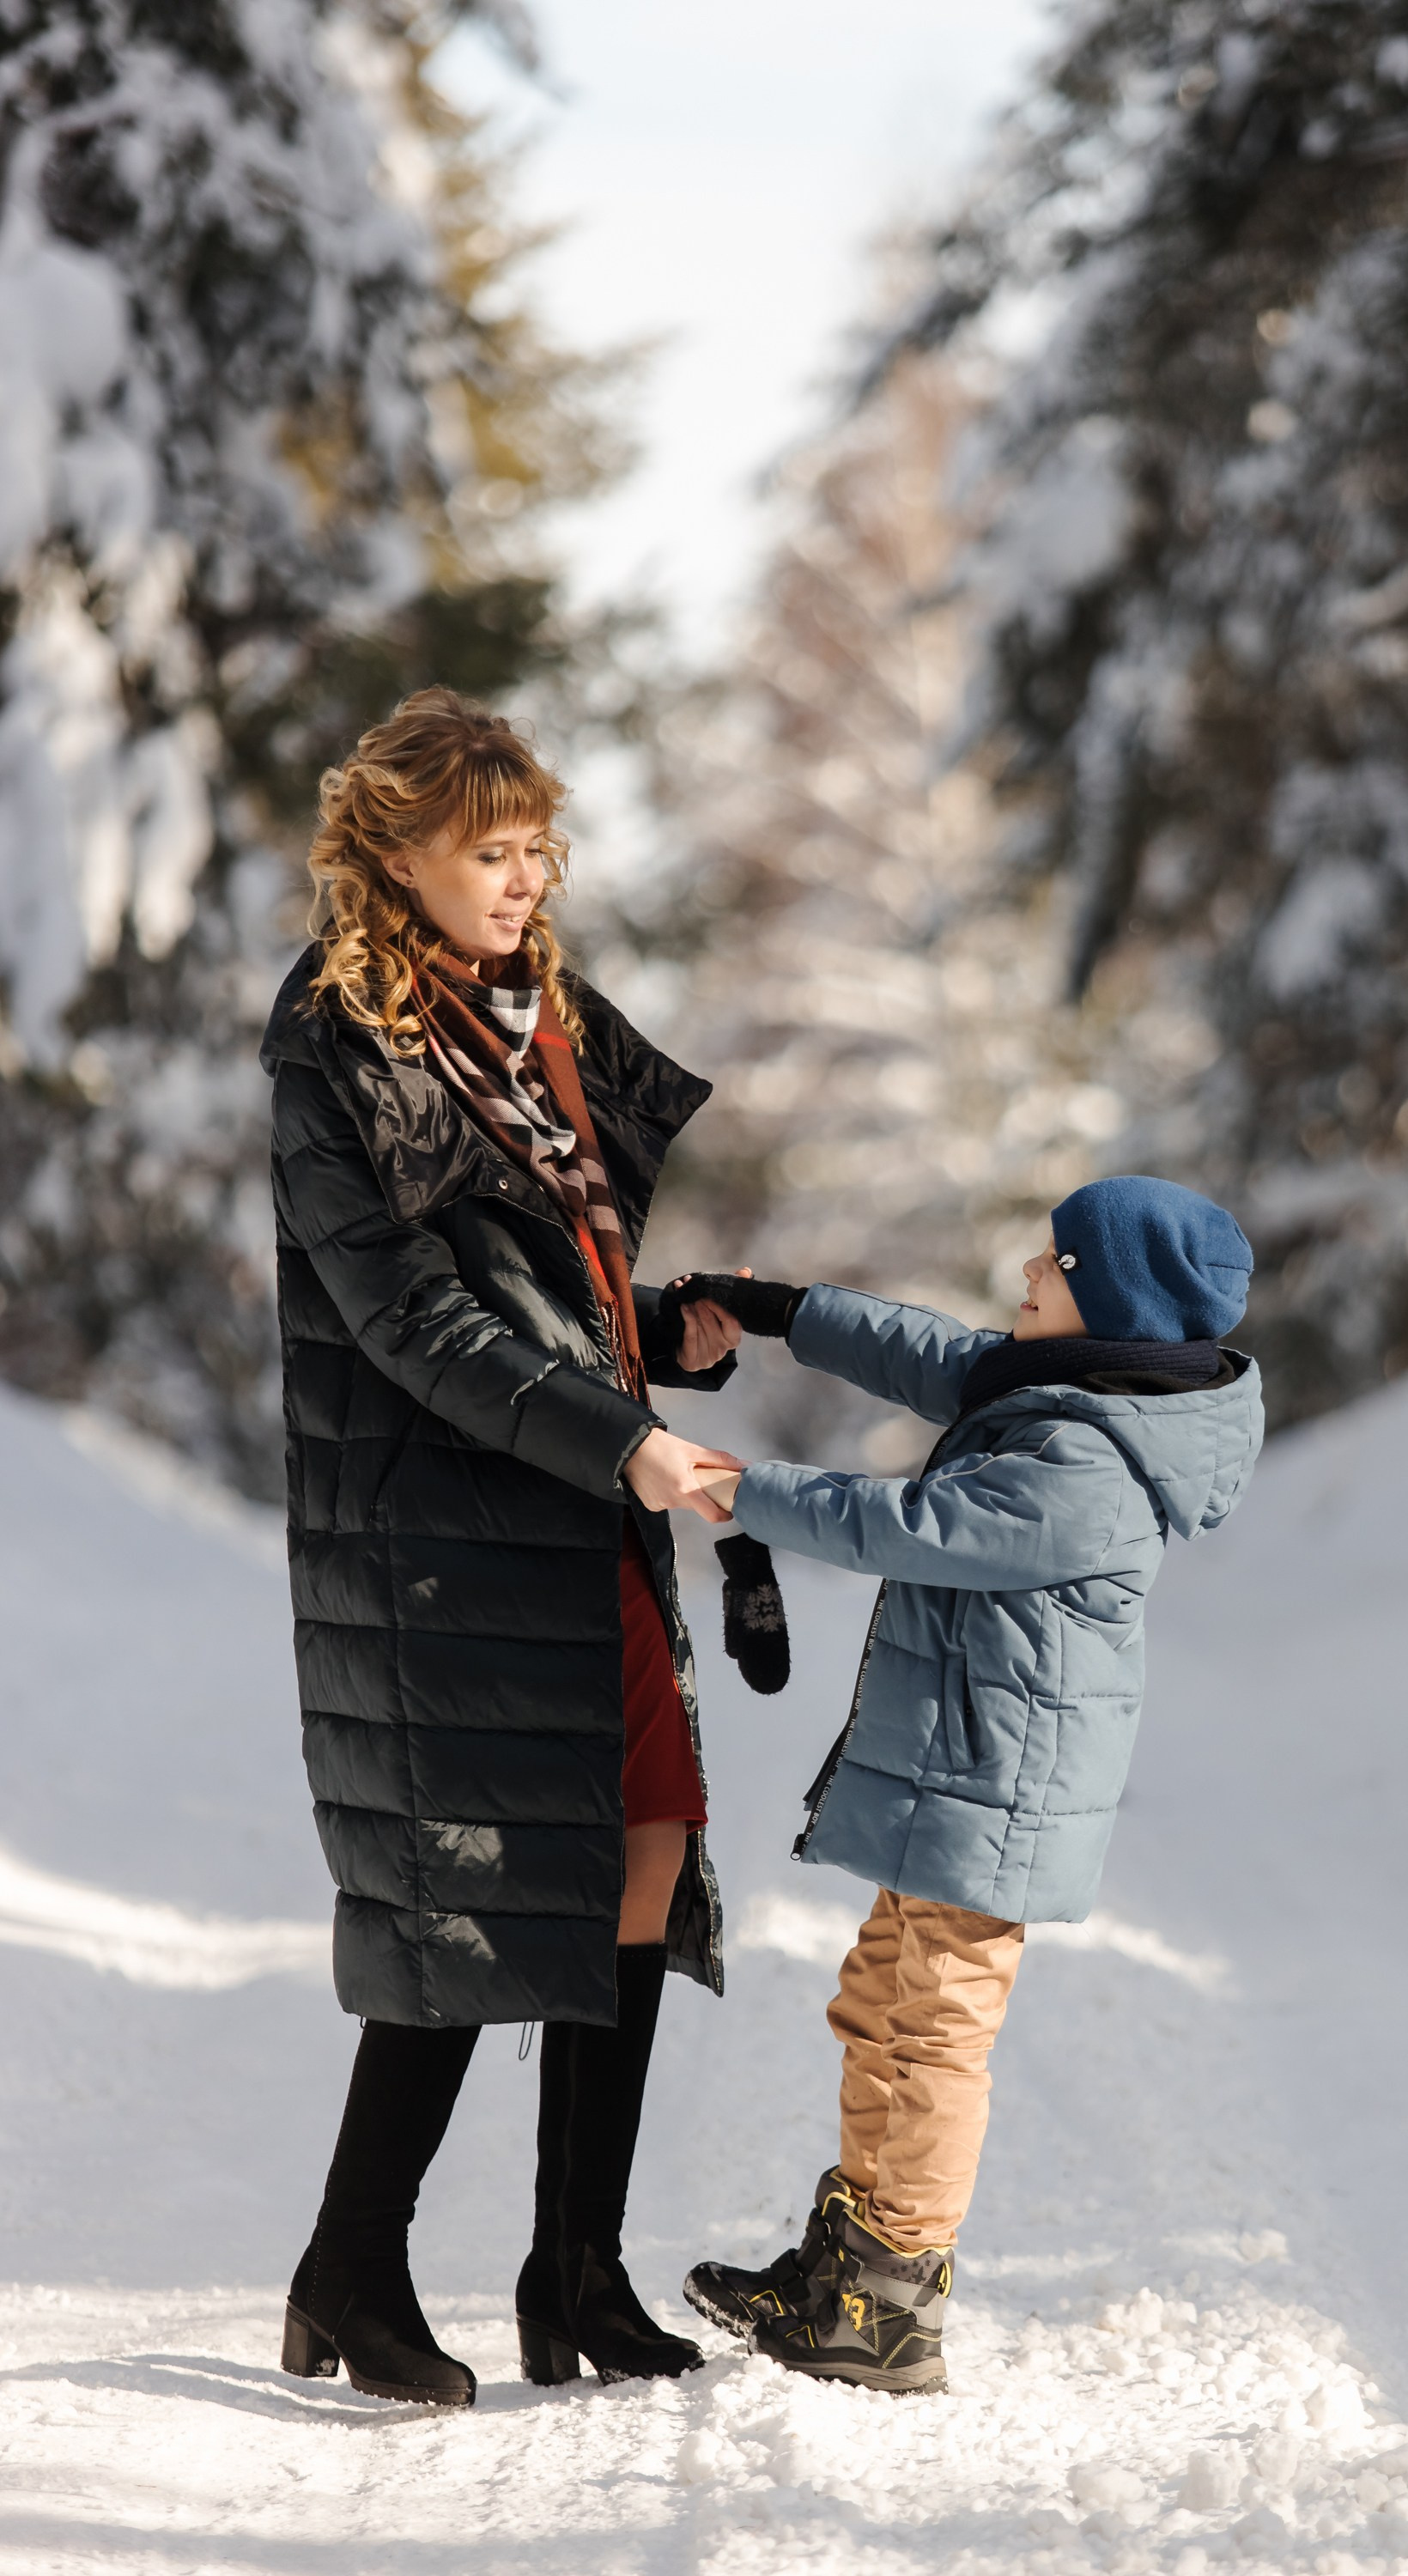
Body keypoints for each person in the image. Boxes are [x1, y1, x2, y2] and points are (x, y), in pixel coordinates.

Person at [263, 688, 746, 2406]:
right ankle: (355, 2257)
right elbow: (408, 1324)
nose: (526, 875)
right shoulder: (338, 1049)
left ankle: (573, 2274)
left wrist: (651, 1342)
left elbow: (559, 1284)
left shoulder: (546, 1023)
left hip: (571, 1506)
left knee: (642, 1840)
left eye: (539, 845)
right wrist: (621, 1433)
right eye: (491, 849)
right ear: (391, 856)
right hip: (440, 1535)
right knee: (466, 1887)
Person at [672, 1176, 1265, 2393]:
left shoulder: (1087, 1462)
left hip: (1000, 1784)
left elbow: (912, 1524)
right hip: (964, 1771)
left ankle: (890, 2301)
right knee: (878, 2004)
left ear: (1113, 1304)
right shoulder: (1079, 1391)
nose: (1025, 1282)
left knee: (932, 2034)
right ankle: (850, 2263)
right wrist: (781, 1308)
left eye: (1052, 1268)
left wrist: (737, 1487)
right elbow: (937, 1353)